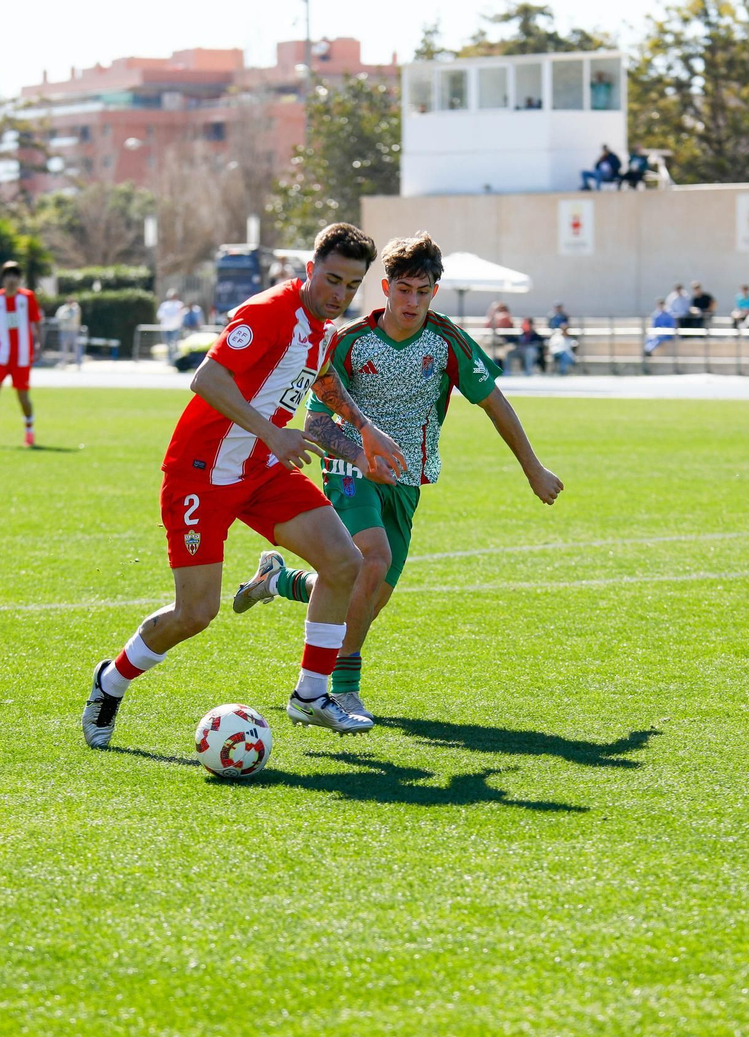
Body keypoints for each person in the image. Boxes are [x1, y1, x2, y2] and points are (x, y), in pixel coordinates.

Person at [82, 223, 406, 747]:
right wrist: (273, 432)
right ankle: (111, 681)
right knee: (196, 614)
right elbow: (206, 378)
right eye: (332, 280)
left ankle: (311, 694)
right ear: (309, 270)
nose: (339, 294)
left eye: (351, 285)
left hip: (261, 470)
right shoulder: (268, 312)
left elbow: (323, 380)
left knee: (346, 562)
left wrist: (364, 432)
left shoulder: (323, 331)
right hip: (201, 476)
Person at [230, 231, 562, 720]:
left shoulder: (447, 341)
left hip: (407, 480)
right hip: (349, 470)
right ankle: (337, 690)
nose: (412, 301)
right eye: (403, 290)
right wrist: (360, 454)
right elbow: (317, 423)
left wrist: (533, 469)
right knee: (373, 560)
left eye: (422, 292)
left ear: (434, 293)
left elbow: (495, 403)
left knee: (370, 591)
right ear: (385, 287)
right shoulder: (350, 343)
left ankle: (279, 582)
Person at [0, 261, 44, 448]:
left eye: (15, 275)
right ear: (3, 278)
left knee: (23, 397)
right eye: (8, 275)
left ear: (19, 278)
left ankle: (29, 431)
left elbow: (37, 321)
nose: (11, 279)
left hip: (21, 356)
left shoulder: (27, 298)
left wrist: (39, 344)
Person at [54, 296, 83, 367]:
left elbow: (75, 317)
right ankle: (63, 362)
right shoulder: (62, 308)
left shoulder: (76, 308)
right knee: (64, 347)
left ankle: (78, 362)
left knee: (76, 346)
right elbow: (58, 317)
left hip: (73, 330)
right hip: (64, 330)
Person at [156, 289, 186, 359]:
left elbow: (182, 315)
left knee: (175, 344)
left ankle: (175, 359)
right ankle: (169, 359)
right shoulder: (164, 305)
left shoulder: (179, 304)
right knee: (168, 345)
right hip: (166, 328)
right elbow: (160, 315)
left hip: (176, 328)